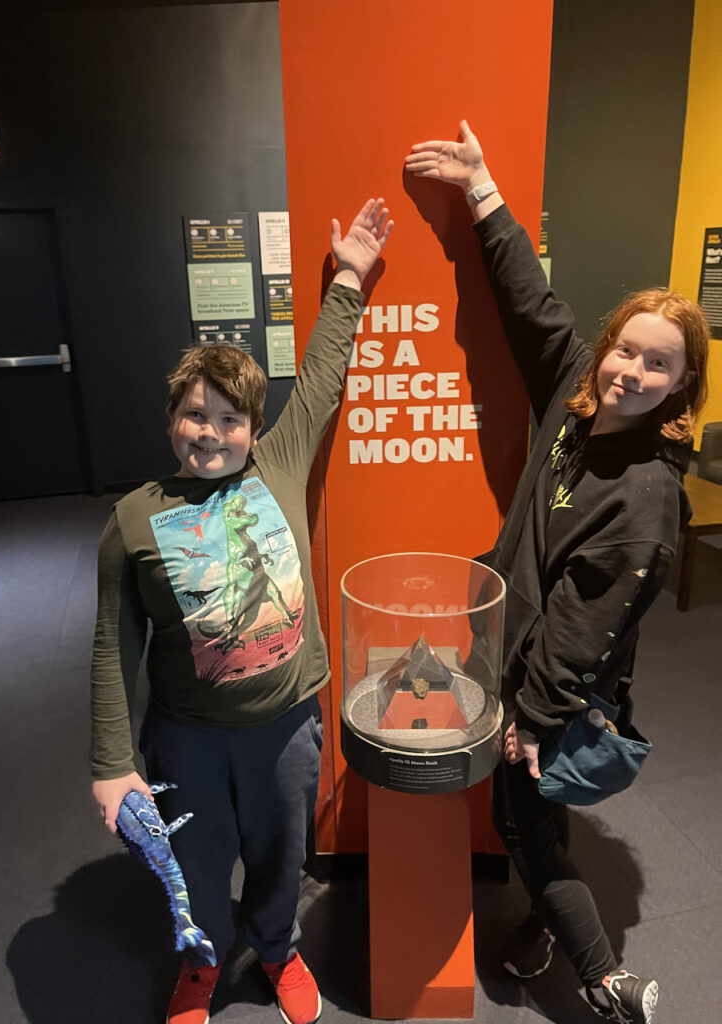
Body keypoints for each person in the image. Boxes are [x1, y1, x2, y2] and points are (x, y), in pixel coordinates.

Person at [405, 120, 708, 1024]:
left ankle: (607, 986)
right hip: (522, 657)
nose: (633, 370)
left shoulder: (649, 494)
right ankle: (545, 921)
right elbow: (533, 308)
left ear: (682, 387)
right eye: (627, 349)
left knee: (522, 822)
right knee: (539, 815)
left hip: (557, 683)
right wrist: (482, 190)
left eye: (660, 364)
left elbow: (587, 625)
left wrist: (533, 718)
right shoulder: (579, 408)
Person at [90, 198, 393, 1024]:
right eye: (195, 414)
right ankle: (201, 960)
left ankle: (279, 947)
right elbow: (113, 647)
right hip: (187, 732)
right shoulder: (134, 517)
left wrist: (352, 278)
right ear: (171, 420)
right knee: (196, 855)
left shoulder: (282, 464)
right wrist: (114, 762)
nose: (210, 432)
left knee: (278, 851)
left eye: (229, 419)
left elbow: (324, 374)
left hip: (287, 723)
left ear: (256, 430)